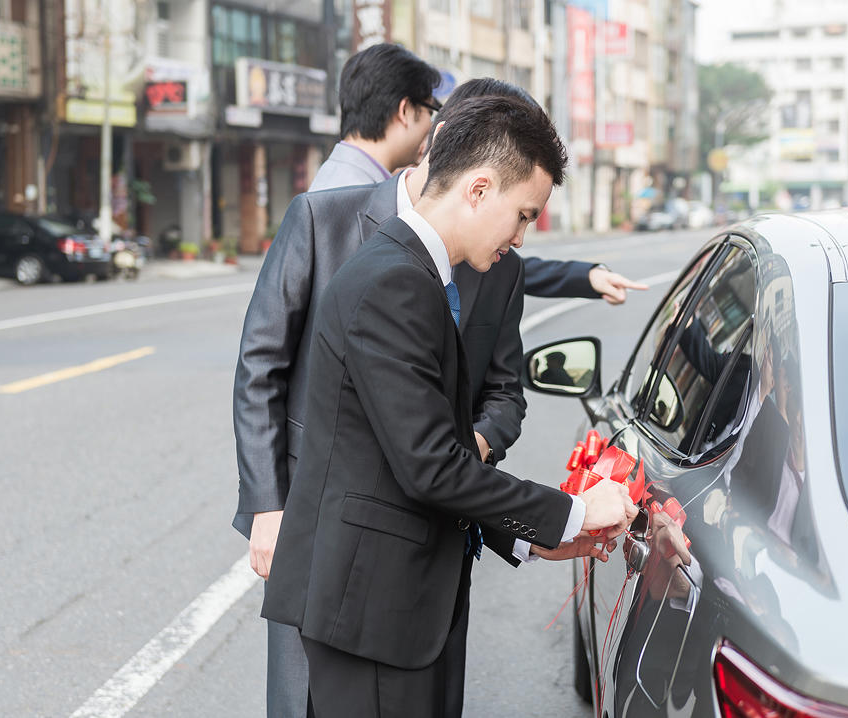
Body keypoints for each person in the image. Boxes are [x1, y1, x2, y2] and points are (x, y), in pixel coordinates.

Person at [234, 79, 621, 718]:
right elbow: (431, 465)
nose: (523, 237)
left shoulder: (410, 269)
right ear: (478, 189)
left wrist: (529, 536)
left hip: (396, 602)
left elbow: (412, 457)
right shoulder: (397, 282)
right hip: (371, 608)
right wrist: (572, 513)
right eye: (524, 213)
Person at [312, 50, 644, 303]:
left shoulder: (465, 228)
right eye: (429, 109)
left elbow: (503, 266)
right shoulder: (325, 211)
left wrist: (582, 277)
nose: (518, 238)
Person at [309, 43, 442, 191]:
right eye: (430, 112)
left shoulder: (335, 178)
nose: (430, 125)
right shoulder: (361, 197)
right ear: (404, 111)